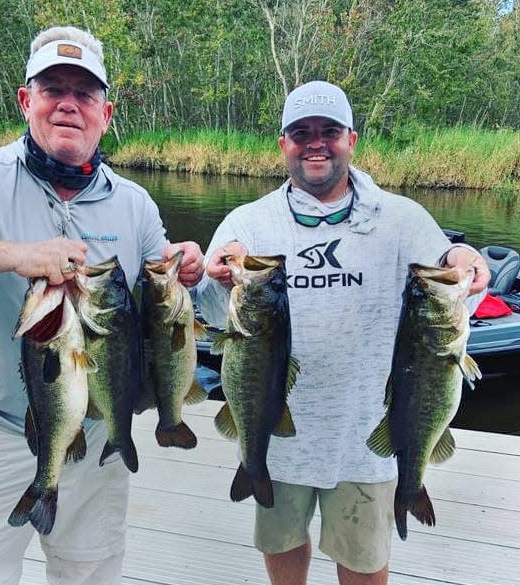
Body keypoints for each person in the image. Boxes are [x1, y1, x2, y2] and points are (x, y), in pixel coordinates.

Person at [0, 26, 203, 585]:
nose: (68, 103)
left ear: (106, 113)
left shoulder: (136, 204)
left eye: (84, 92)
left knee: (91, 574)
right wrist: (13, 255)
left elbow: (165, 306)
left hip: (100, 435)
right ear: (26, 101)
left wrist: (191, 269)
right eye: (52, 88)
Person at [195, 80, 489, 585]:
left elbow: (451, 287)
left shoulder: (402, 219)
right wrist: (213, 275)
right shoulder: (249, 221)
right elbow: (212, 310)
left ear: (351, 139)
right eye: (301, 132)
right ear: (283, 143)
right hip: (277, 429)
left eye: (329, 131)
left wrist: (465, 262)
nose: (316, 142)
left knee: (363, 560)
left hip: (367, 436)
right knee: (282, 543)